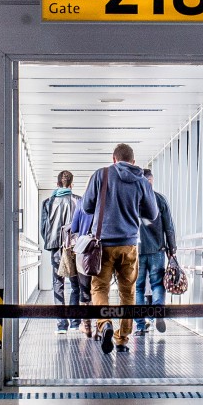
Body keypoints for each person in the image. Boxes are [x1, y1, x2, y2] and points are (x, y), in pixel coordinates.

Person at [81, 143, 158, 354]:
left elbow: (87, 206)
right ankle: (122, 340)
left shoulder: (101, 175)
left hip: (103, 245)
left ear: (114, 159)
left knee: (99, 288)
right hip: (129, 245)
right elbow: (152, 214)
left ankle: (105, 323)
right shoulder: (142, 181)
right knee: (128, 293)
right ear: (133, 162)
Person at [134, 169, 176, 336]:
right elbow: (169, 227)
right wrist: (172, 249)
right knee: (158, 283)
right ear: (152, 181)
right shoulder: (159, 199)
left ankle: (140, 325)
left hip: (136, 250)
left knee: (138, 287)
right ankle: (158, 311)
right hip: (157, 249)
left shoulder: (133, 199)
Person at [40, 170, 81, 334]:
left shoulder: (48, 203)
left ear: (57, 184)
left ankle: (61, 324)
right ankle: (75, 322)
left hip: (56, 247)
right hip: (74, 248)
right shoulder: (79, 201)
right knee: (76, 285)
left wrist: (51, 243)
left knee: (58, 285)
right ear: (71, 185)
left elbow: (44, 228)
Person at [69, 204, 95, 339]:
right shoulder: (105, 202)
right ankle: (102, 324)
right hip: (102, 252)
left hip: (85, 251)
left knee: (84, 290)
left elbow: (74, 228)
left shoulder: (82, 205)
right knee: (100, 289)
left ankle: (87, 326)